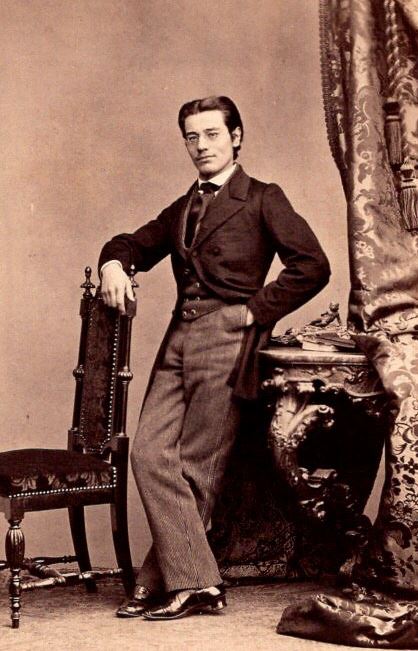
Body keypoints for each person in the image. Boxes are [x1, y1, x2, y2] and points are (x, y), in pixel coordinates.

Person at [99, 95, 330, 621]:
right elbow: (135, 243)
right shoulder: (183, 206)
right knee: (149, 454)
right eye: (192, 136)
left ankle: (170, 583)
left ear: (236, 137)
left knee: (196, 466)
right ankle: (194, 581)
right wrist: (114, 262)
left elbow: (313, 265)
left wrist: (253, 312)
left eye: (212, 134)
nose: (201, 145)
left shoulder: (263, 197)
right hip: (178, 339)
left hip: (226, 337)